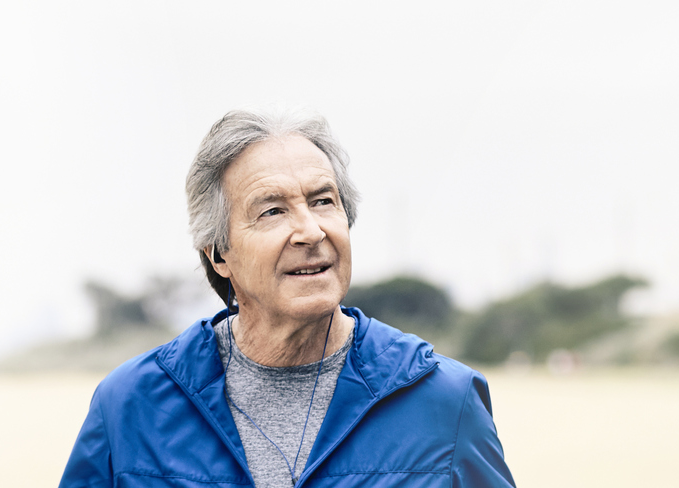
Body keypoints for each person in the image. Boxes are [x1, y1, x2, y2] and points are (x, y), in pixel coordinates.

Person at [58, 108, 514, 488]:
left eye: (323, 201)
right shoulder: (129, 407)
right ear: (218, 254)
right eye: (273, 210)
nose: (312, 231)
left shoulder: (444, 401)